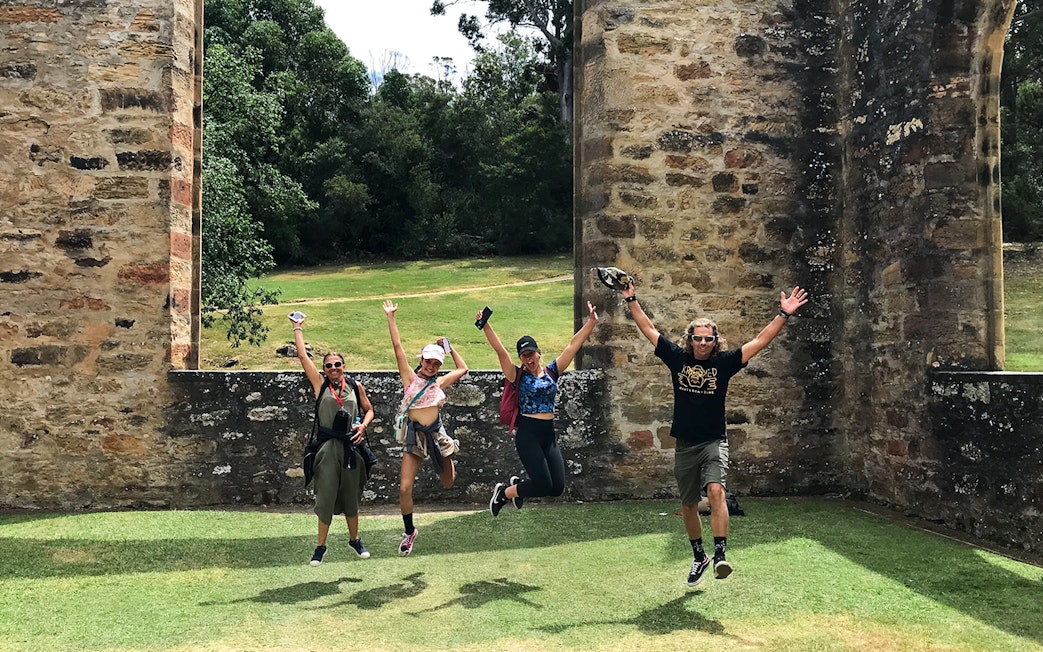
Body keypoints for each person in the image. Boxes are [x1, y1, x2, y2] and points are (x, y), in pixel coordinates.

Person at [620, 280, 808, 586]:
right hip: (685, 444)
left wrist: (783, 314)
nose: (704, 344)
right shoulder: (677, 359)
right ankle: (700, 557)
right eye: (699, 339)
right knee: (688, 505)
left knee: (716, 491)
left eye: (709, 339)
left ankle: (720, 555)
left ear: (715, 341)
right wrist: (631, 299)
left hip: (713, 441)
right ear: (690, 340)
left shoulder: (724, 363)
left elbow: (760, 341)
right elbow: (649, 329)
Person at [482, 301, 599, 516]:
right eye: (524, 356)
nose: (529, 359)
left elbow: (572, 346)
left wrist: (591, 322)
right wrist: (486, 325)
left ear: (538, 353)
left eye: (531, 354)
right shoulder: (516, 376)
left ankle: (518, 488)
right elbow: (500, 351)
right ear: (521, 358)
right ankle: (504, 492)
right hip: (528, 434)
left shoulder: (552, 371)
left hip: (548, 434)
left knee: (556, 488)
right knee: (543, 484)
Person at [383, 299, 469, 556]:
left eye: (436, 363)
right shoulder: (409, 378)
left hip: (437, 434)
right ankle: (409, 531)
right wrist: (391, 317)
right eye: (428, 361)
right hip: (415, 437)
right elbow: (397, 347)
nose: (431, 366)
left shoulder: (439, 383)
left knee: (448, 482)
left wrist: (449, 348)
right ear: (421, 359)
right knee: (404, 487)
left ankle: (449, 450)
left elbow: (464, 369)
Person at [291, 313, 376, 566]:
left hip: (351, 446)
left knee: (351, 495)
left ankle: (355, 540)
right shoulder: (320, 385)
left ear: (344, 366)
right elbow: (304, 358)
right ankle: (320, 547)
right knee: (325, 495)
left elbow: (369, 410)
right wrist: (297, 329)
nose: (333, 369)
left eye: (337, 364)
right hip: (327, 448)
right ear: (324, 370)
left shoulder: (354, 385)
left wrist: (364, 427)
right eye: (328, 365)